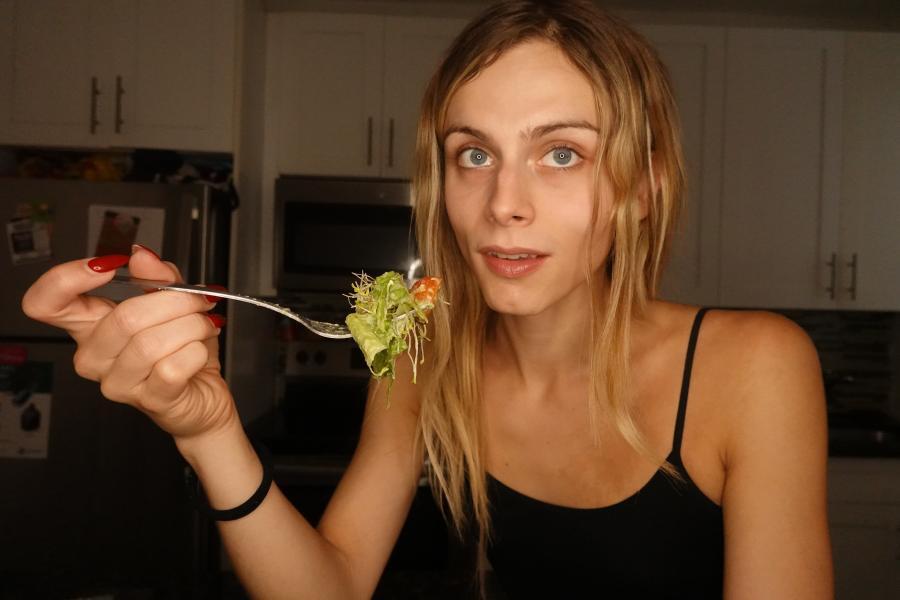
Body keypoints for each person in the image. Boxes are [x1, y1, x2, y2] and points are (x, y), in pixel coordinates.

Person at [22, 1, 833, 598]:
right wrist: (208, 432)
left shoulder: (753, 368)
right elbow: (331, 586)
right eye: (473, 153)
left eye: (561, 153)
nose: (503, 202)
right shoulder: (419, 359)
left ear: (645, 188)